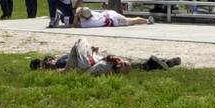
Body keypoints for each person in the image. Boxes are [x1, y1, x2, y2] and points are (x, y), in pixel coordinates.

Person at [30, 37, 181, 75]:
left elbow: (80, 53)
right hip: (92, 63)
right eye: (43, 67)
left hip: (94, 59)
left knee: (129, 61)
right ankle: (162, 64)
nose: (47, 65)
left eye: (45, 62)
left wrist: (93, 51)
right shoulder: (61, 66)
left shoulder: (63, 58)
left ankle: (163, 62)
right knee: (134, 65)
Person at [71, 3, 154, 27]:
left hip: (114, 20)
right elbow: (80, 9)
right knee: (129, 19)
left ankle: (147, 21)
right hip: (110, 13)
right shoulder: (89, 12)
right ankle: (146, 20)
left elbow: (75, 26)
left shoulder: (89, 23)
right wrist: (79, 11)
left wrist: (76, 16)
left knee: (131, 21)